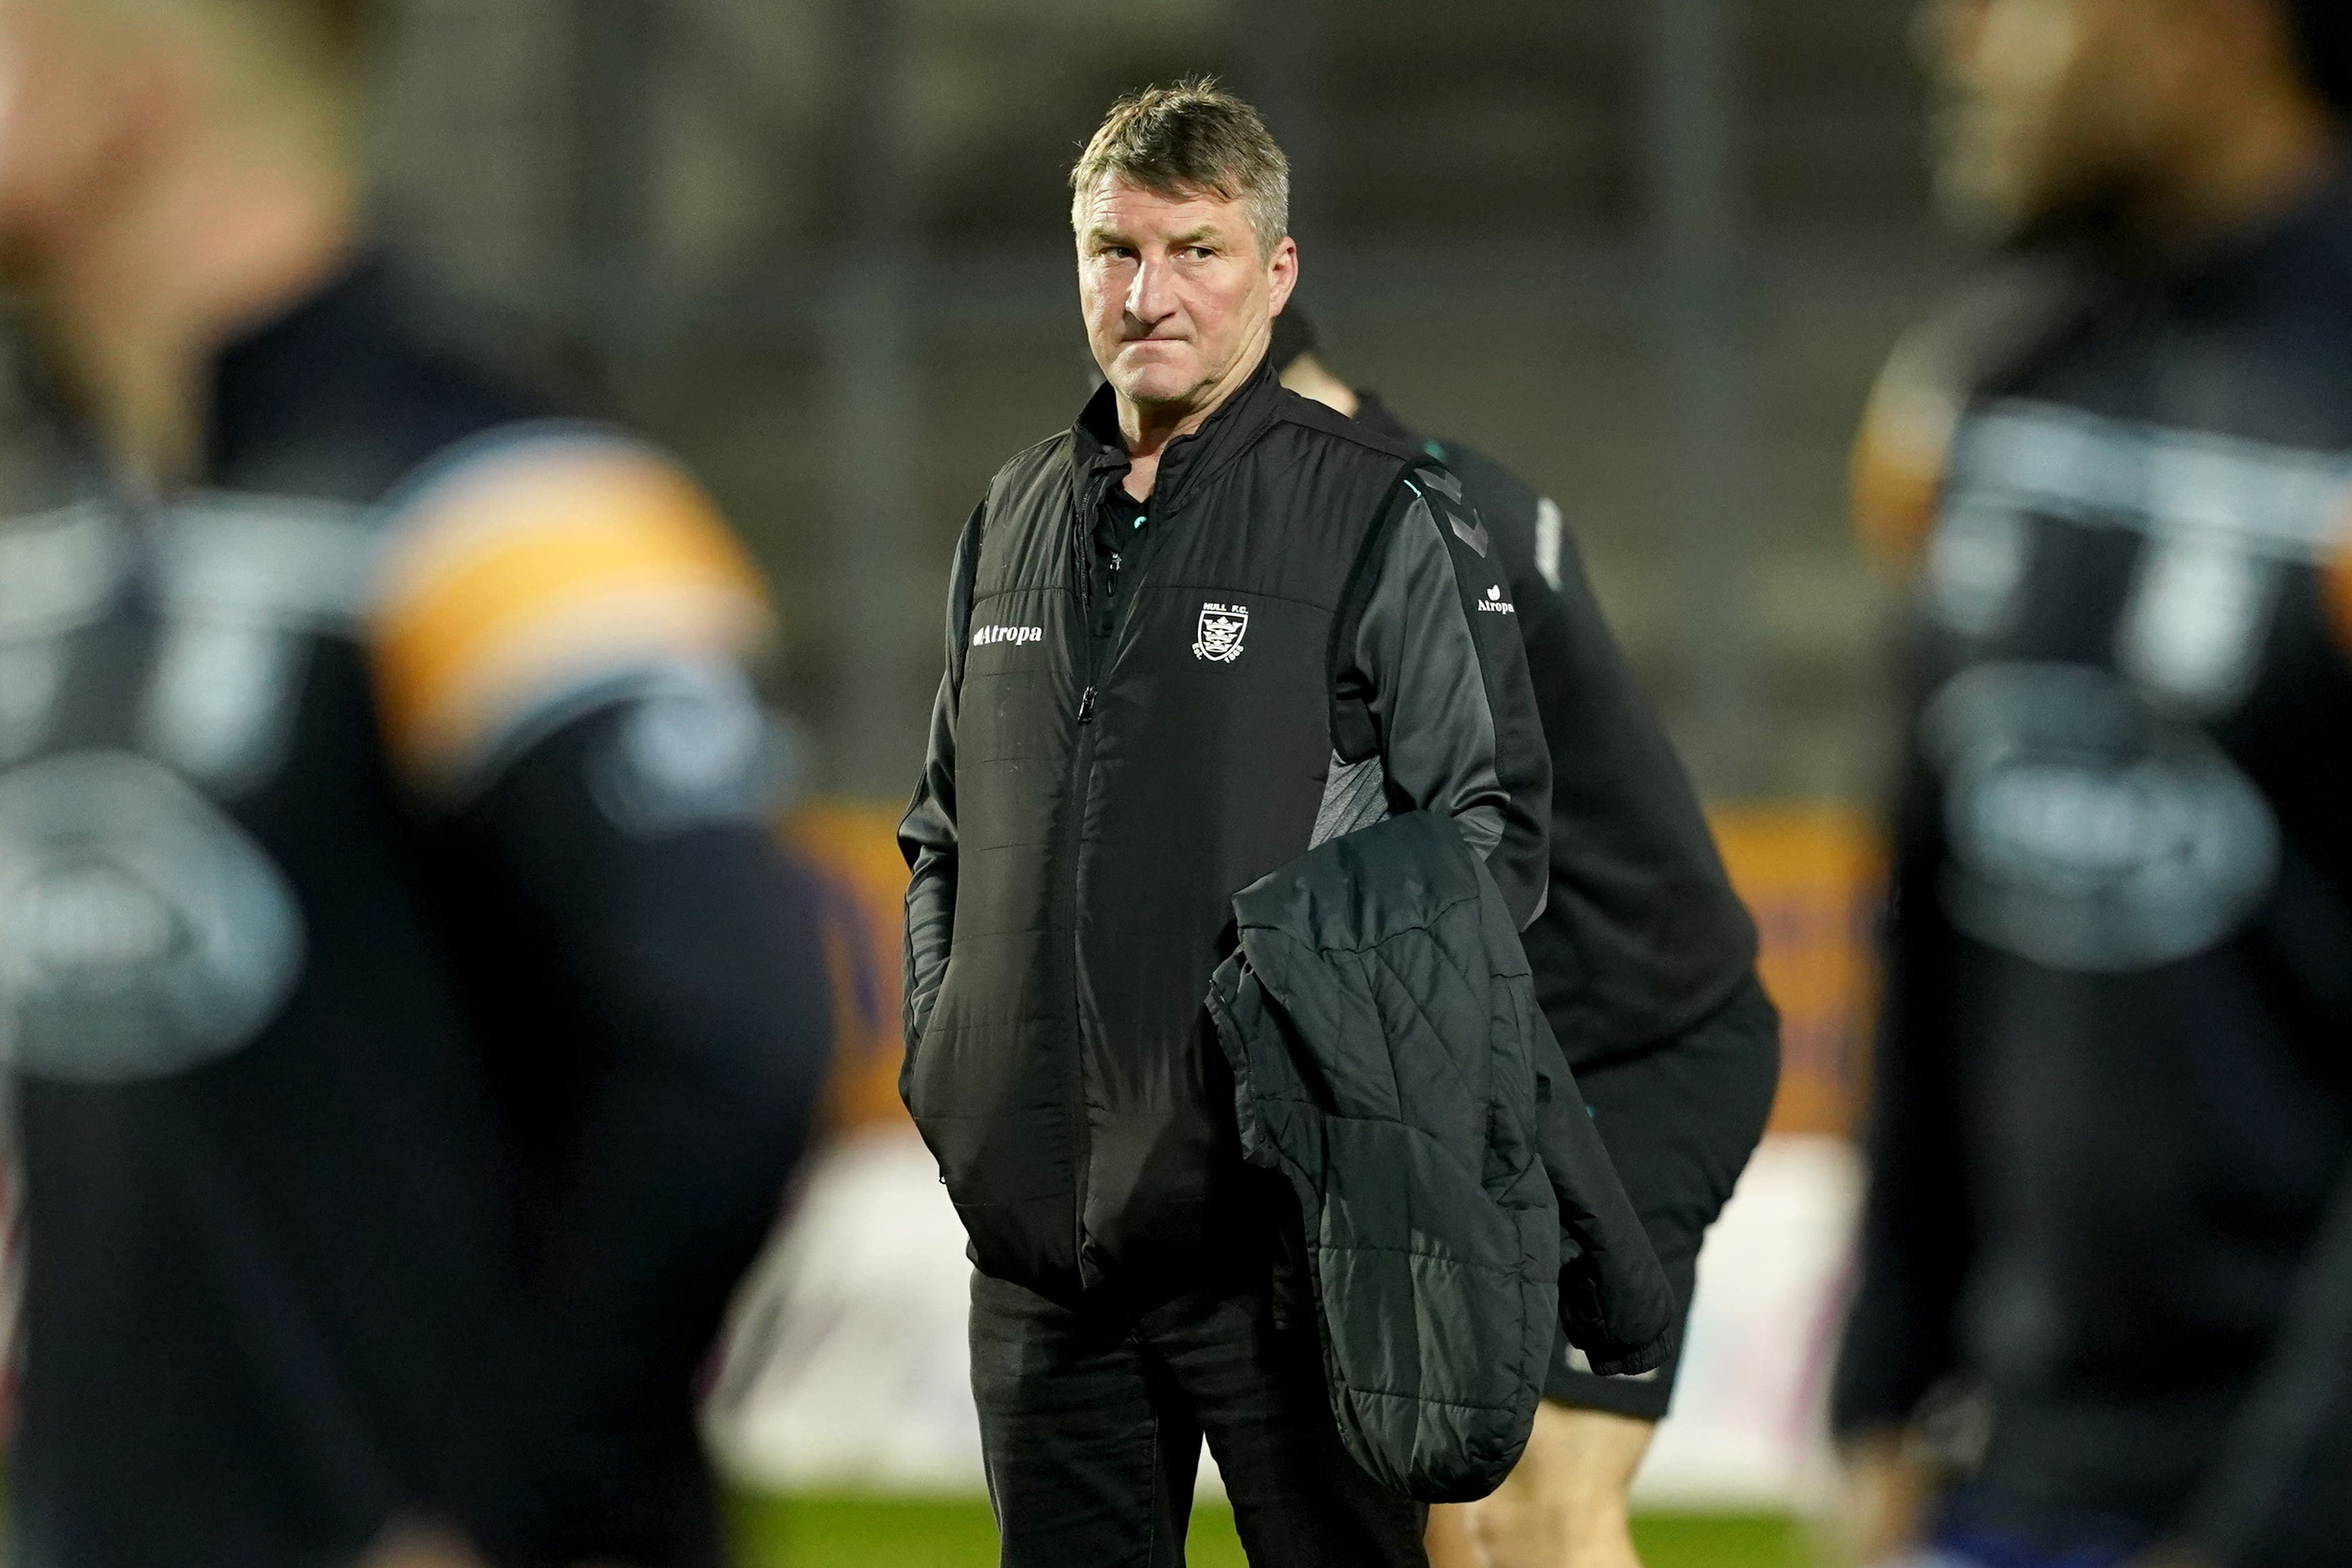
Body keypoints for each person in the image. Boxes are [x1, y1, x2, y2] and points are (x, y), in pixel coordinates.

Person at [0, 2, 835, 1565]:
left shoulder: (506, 501)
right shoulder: (56, 543)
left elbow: (734, 1035)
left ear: (135, 95)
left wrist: (501, 1509)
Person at [899, 79, 1590, 1567]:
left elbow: (1489, 835)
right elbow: (939, 836)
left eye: (1194, 251)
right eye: (1112, 251)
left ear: (1273, 275)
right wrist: (945, 1063)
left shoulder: (1375, 508)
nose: (1146, 294)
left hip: (1290, 1247)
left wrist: (1317, 1072)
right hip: (1041, 1263)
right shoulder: (1007, 514)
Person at [1836, 2, 2352, 1565]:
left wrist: (2266, 1532)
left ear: (2213, 23)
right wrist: (1875, 1393)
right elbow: (1933, 929)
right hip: (2006, 1489)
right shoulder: (1971, 395)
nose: (1954, 36)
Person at [1273, 313, 1782, 1568]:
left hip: (1634, 1048)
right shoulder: (1424, 492)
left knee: (1541, 1500)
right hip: (1521, 1060)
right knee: (1454, 1500)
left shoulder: (1406, 536)